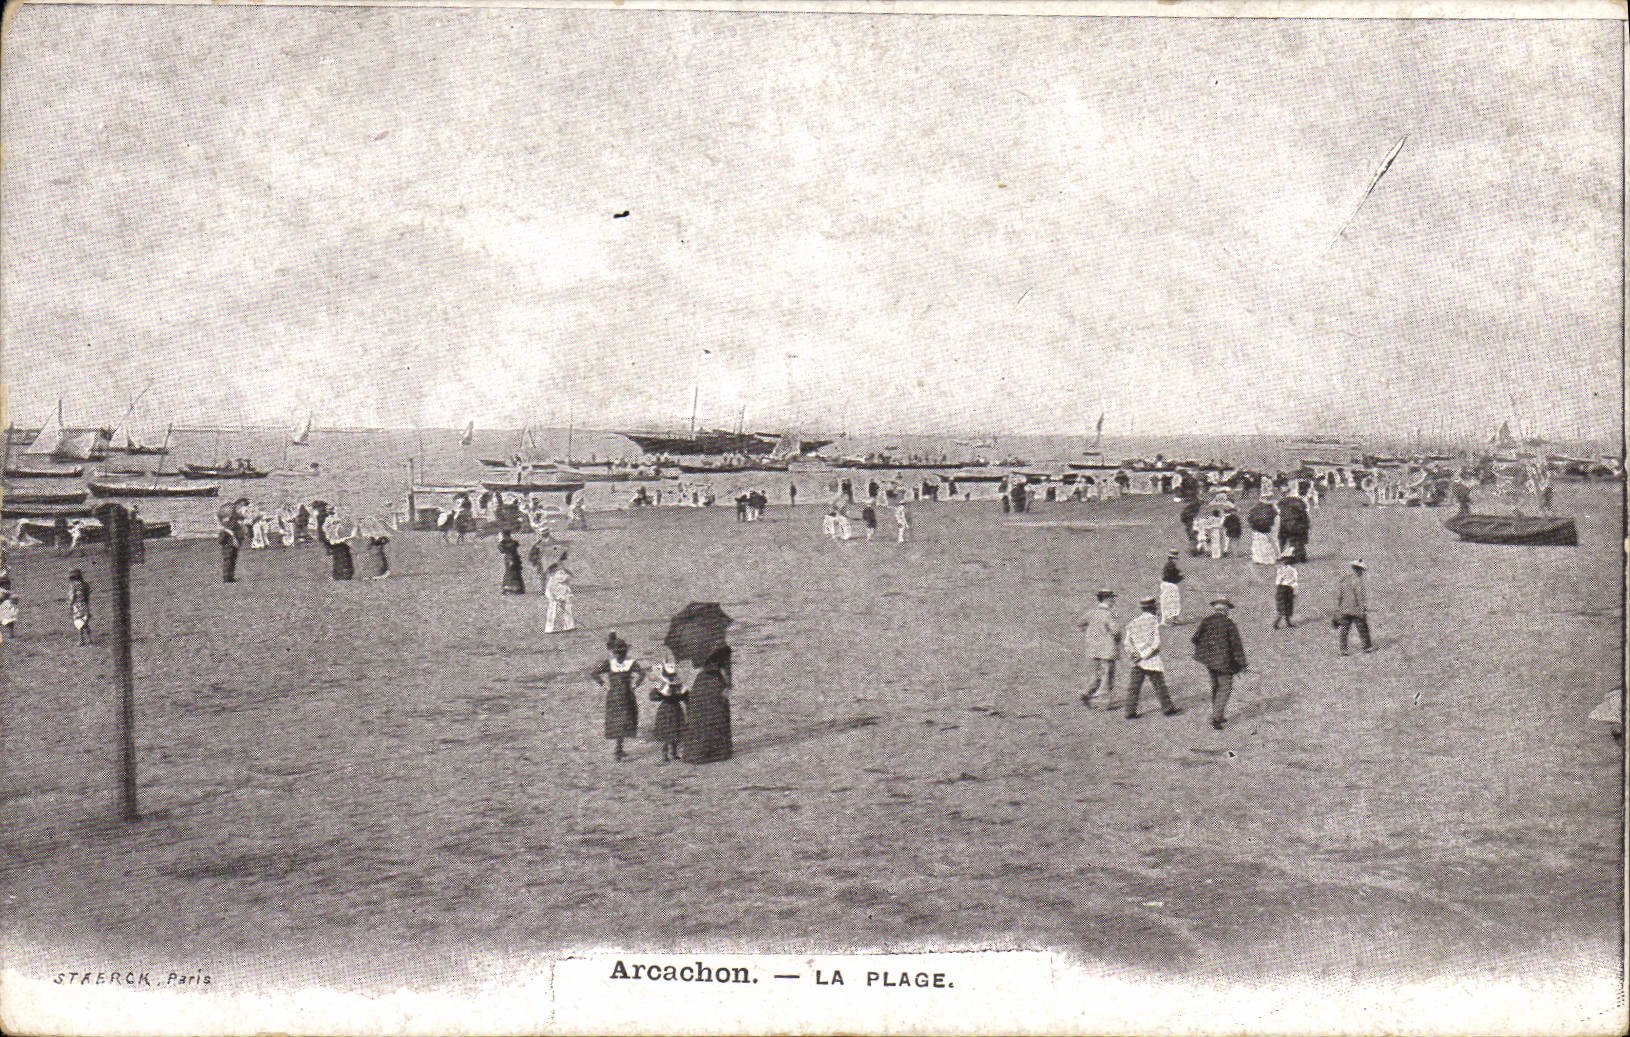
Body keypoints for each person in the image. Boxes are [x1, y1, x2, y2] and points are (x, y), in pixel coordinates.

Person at [1192, 597, 1246, 730]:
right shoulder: (1229, 624)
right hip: (1224, 663)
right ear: (1226, 610)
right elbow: (1236, 647)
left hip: (1209, 661)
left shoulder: (1206, 621)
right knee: (1225, 688)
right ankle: (1216, 717)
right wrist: (1242, 664)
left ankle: (1218, 713)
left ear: (1215, 609)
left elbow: (1195, 639)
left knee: (1215, 686)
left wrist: (1206, 650)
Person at [1122, 596, 1181, 719]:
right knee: (1160, 685)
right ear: (1153, 608)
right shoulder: (1154, 622)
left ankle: (1129, 711)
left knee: (1134, 686)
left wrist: (1134, 655)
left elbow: (1127, 643)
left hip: (1137, 661)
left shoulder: (1133, 623)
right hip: (1151, 660)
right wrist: (1144, 655)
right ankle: (1167, 708)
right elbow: (1156, 643)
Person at [592, 632, 645, 761]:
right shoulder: (630, 663)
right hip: (626, 695)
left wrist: (605, 685)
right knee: (624, 720)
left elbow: (594, 673)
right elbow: (642, 673)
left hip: (614, 696)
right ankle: (619, 748)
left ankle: (618, 748)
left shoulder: (610, 663)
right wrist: (635, 685)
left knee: (617, 721)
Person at [680, 645, 733, 764]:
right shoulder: (723, 648)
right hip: (715, 682)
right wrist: (728, 685)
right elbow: (727, 669)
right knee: (717, 715)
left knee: (700, 716)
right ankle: (718, 751)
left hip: (700, 683)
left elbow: (695, 665)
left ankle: (698, 751)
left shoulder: (698, 647)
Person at [1078, 589, 1122, 709]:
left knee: (1096, 674)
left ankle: (1087, 692)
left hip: (1093, 649)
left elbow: (1081, 623)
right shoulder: (1108, 614)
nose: (1113, 601)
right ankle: (1102, 701)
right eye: (1112, 598)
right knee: (1107, 675)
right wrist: (1117, 639)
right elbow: (1116, 631)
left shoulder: (1092, 612)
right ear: (1107, 599)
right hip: (1107, 650)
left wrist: (1090, 636)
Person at [649, 655, 687, 763]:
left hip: (674, 708)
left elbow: (686, 696)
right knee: (667, 732)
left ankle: (674, 753)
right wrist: (662, 695)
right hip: (667, 708)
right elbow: (652, 697)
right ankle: (665, 754)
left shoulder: (678, 684)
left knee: (676, 731)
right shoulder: (662, 685)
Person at [1333, 559, 1372, 655]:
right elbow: (1359, 596)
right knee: (1363, 628)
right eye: (1361, 570)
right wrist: (1362, 608)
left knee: (1344, 630)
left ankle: (1343, 649)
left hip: (1345, 609)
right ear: (1359, 570)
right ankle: (1366, 647)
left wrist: (1338, 608)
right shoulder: (1358, 581)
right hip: (1356, 609)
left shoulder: (1344, 579)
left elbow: (1339, 595)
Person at [544, 551, 575, 632]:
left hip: (564, 593)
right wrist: (554, 597)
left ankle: (569, 626)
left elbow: (568, 580)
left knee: (567, 609)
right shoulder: (555, 575)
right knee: (553, 611)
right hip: (555, 596)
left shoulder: (564, 572)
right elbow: (550, 588)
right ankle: (549, 628)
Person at [1273, 552, 1298, 628]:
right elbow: (1294, 582)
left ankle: (1277, 623)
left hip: (1280, 589)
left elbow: (1277, 581)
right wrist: (1295, 592)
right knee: (1288, 606)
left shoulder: (1280, 569)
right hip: (1288, 589)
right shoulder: (1293, 570)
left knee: (1282, 607)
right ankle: (1285, 623)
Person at [1160, 549, 1184, 625]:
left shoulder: (1169, 565)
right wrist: (1180, 577)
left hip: (1166, 585)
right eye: (1175, 558)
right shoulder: (1171, 566)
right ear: (1172, 558)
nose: (1176, 560)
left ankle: (1169, 620)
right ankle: (1170, 620)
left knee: (1167, 602)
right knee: (1172, 602)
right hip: (1170, 586)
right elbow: (1173, 578)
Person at [68, 569, 92, 646]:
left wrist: (70, 605)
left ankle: (81, 640)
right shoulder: (85, 585)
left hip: (77, 606)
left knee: (79, 623)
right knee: (85, 623)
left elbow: (72, 597)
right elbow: (87, 596)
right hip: (85, 605)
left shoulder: (73, 586)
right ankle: (89, 639)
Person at [497, 530, 526, 594]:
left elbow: (502, 550)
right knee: (512, 572)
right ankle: (516, 588)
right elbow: (502, 550)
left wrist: (501, 542)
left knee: (512, 572)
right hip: (512, 558)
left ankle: (512, 589)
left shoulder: (507, 543)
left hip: (511, 558)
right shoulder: (509, 542)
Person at [218, 515, 241, 583]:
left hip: (233, 548)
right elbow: (221, 541)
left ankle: (231, 577)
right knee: (227, 563)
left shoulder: (233, 532)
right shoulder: (224, 532)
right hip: (227, 549)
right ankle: (226, 578)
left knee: (232, 563)